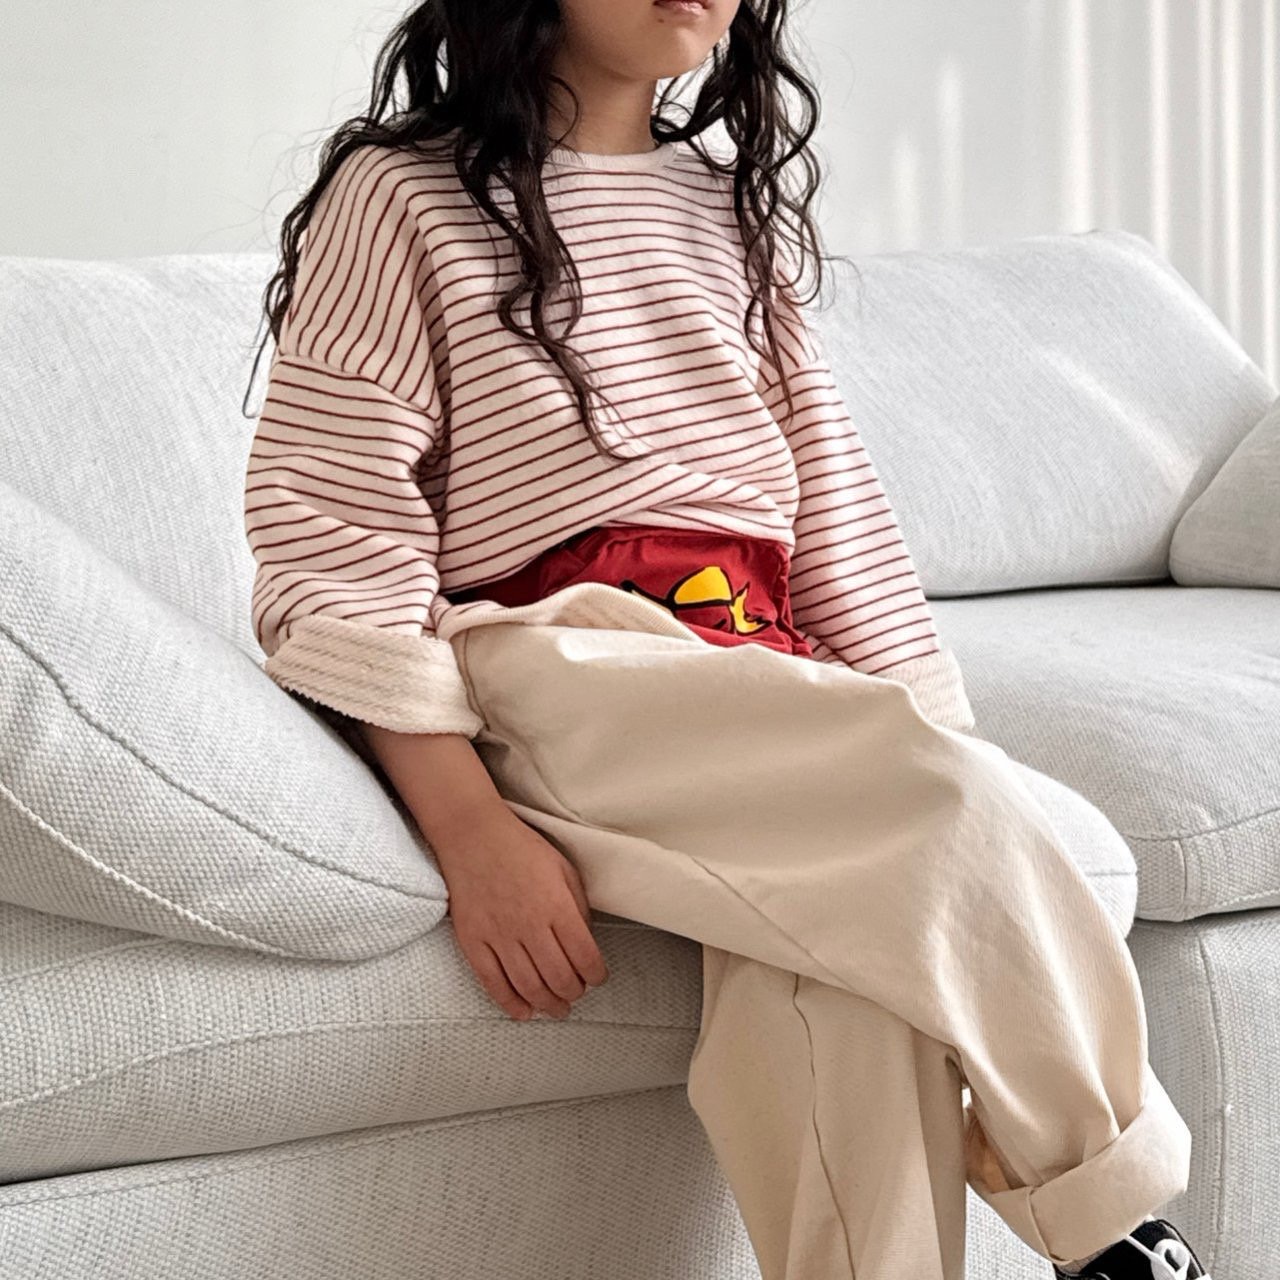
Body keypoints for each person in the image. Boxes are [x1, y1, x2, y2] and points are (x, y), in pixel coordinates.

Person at [240, 2, 1212, 1277]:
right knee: (947, 819)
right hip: (562, 649)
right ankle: (1115, 1231)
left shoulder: (724, 210)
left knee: (845, 986)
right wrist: (468, 826)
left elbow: (832, 506)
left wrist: (913, 726)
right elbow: (336, 526)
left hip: (757, 660)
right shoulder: (403, 195)